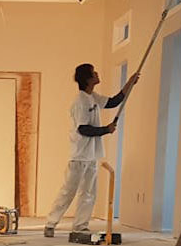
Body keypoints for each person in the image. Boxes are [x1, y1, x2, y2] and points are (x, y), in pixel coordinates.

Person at [44, 63, 139, 237]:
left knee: (88, 193)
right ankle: (51, 223)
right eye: (93, 72)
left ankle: (80, 226)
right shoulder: (80, 102)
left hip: (92, 155)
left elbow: (113, 102)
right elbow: (83, 129)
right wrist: (106, 129)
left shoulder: (92, 97)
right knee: (68, 191)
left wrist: (130, 83)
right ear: (88, 79)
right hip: (79, 155)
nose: (97, 74)